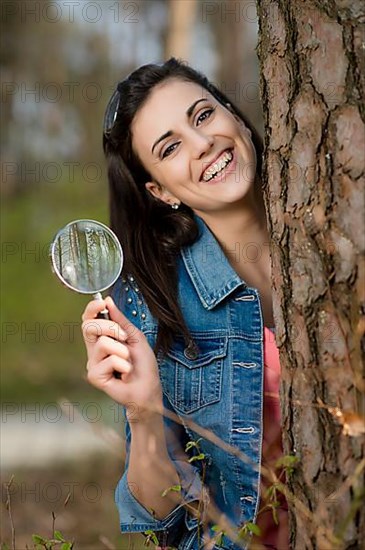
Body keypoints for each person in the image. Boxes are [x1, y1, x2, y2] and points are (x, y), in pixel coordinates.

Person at [81, 58, 288, 549]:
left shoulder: (341, 211)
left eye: (203, 116)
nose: (203, 145)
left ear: (234, 116)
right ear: (159, 191)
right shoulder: (155, 306)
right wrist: (144, 414)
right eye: (170, 148)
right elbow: (162, 521)